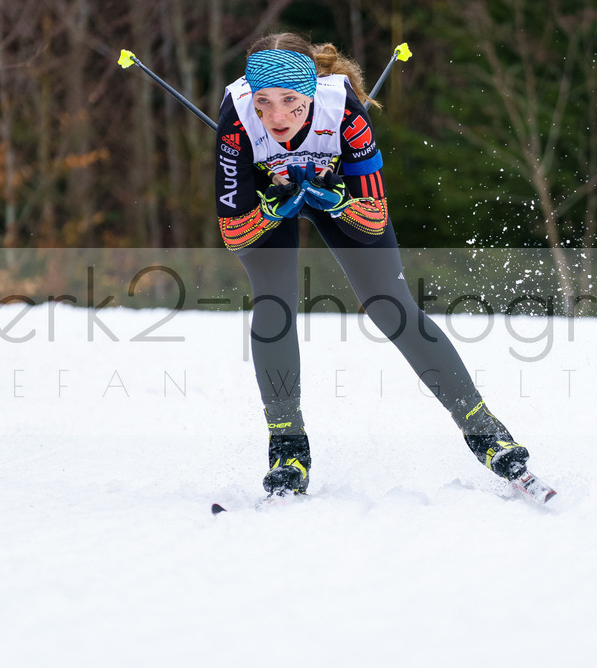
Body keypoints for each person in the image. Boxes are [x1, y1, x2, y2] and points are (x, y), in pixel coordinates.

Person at [214, 32, 532, 496]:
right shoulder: (237, 119)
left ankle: (485, 431)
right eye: (264, 102)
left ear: (310, 90)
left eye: (290, 102)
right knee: (274, 304)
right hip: (270, 199)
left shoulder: (341, 110)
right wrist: (269, 208)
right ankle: (288, 449)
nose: (277, 117)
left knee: (390, 305)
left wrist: (337, 199)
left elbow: (373, 216)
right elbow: (232, 232)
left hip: (335, 192)